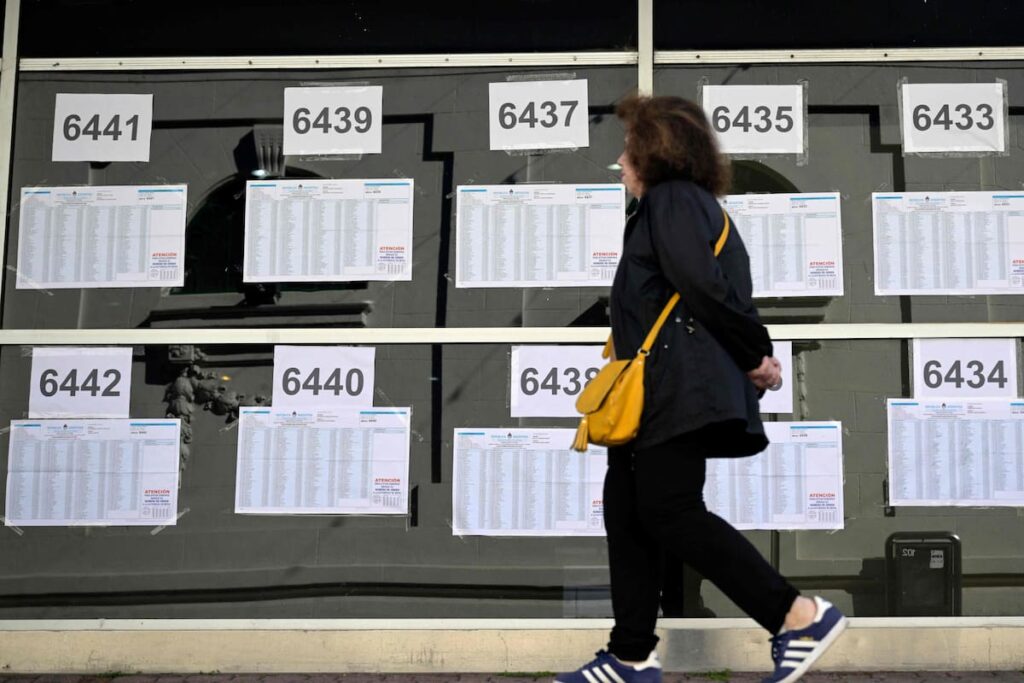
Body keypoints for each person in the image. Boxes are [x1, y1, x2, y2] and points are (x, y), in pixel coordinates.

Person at [556, 95, 846, 683]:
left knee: (669, 509)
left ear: (655, 153)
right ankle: (630, 656)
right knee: (629, 514)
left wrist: (754, 353)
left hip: (675, 389)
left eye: (629, 150)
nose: (621, 161)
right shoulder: (665, 208)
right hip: (655, 390)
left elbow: (703, 284)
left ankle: (797, 615)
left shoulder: (673, 200)